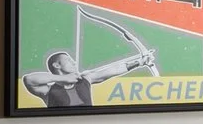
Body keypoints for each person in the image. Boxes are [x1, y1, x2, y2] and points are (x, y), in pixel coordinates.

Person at [21, 44, 155, 110]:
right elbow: (28, 79)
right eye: (68, 60)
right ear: (57, 65)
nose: (74, 62)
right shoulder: (47, 90)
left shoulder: (84, 79)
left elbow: (112, 70)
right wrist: (63, 79)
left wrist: (140, 62)